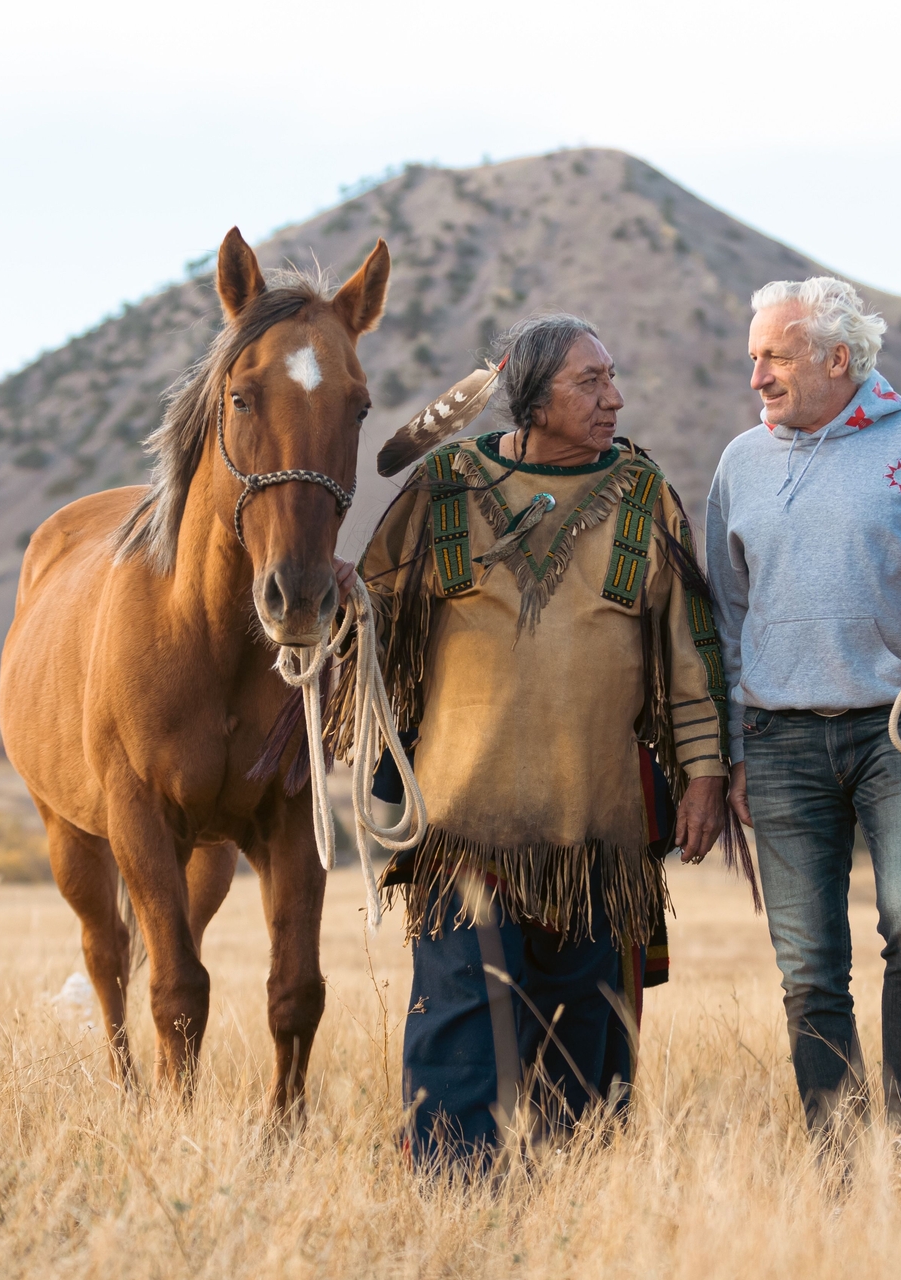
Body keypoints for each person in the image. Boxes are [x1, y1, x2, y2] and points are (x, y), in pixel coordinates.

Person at [354, 313, 733, 1166]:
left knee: (586, 1053)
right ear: (531, 397)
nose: (614, 397)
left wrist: (704, 772)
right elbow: (374, 621)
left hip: (598, 832)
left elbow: (690, 651)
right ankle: (458, 1215)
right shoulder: (445, 484)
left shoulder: (643, 494)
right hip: (463, 823)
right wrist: (331, 600)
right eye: (589, 382)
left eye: (611, 377)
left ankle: (574, 1208)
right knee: (459, 1039)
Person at [705, 277, 901, 1166]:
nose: (757, 376)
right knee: (808, 966)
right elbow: (725, 614)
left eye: (776, 357)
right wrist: (733, 747)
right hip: (782, 740)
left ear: (839, 359)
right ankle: (834, 1153)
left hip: (894, 732)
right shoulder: (739, 464)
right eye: (753, 356)